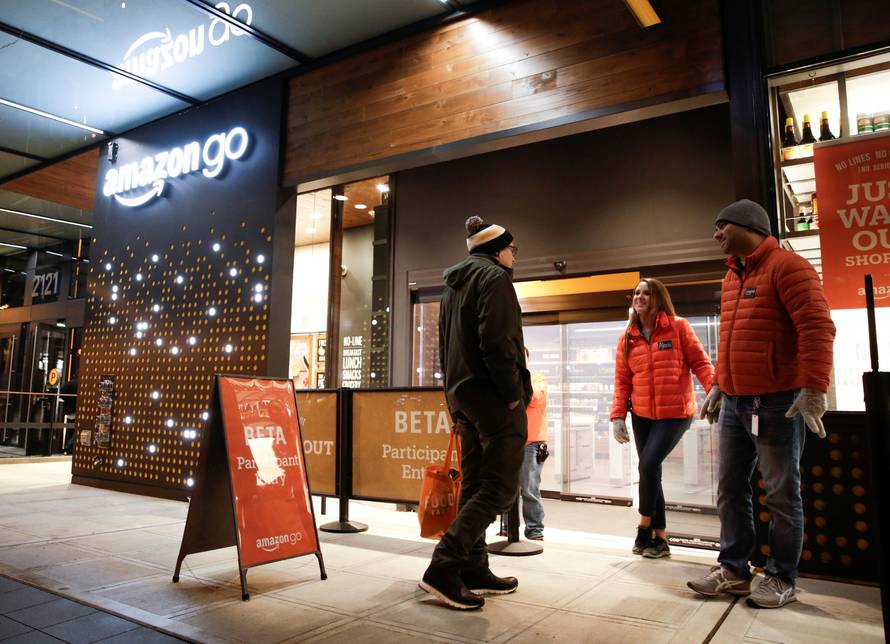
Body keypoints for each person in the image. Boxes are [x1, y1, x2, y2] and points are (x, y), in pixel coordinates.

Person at [687, 199, 836, 609]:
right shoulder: (731, 277)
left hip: (776, 403)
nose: (716, 234)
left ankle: (781, 577)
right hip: (736, 404)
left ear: (747, 225)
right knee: (730, 489)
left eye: (721, 226)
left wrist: (813, 388)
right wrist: (720, 384)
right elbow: (733, 339)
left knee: (782, 495)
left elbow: (817, 326)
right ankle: (734, 570)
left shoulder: (789, 267)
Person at [420, 215, 532, 610]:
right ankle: (443, 565)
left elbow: (442, 346)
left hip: (463, 396)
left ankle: (473, 567)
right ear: (497, 250)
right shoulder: (495, 278)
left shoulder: (454, 286)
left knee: (474, 484)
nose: (514, 256)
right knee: (499, 488)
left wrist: (452, 399)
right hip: (494, 399)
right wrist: (513, 395)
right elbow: (498, 343)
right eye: (512, 249)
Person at [610, 278, 715, 558]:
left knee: (648, 464)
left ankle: (644, 525)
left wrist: (715, 391)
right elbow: (622, 381)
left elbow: (701, 362)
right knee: (650, 471)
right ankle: (661, 540)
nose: (640, 296)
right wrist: (618, 416)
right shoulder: (627, 338)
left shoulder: (678, 327)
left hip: (676, 413)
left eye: (647, 292)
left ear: (659, 299)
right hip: (642, 414)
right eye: (636, 292)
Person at [521, 347, 547, 541]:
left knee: (529, 487)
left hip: (532, 442)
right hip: (510, 441)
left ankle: (534, 529)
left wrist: (522, 375)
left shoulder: (536, 377)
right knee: (507, 487)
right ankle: (508, 527)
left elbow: (533, 398)